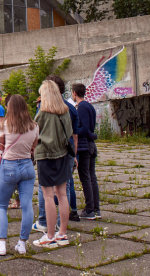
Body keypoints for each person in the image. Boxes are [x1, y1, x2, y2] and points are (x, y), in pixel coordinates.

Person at [0, 94, 39, 255]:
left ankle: (1, 243)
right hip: (27, 166)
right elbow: (33, 147)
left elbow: (0, 145)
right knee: (27, 205)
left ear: (10, 108)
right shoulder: (34, 126)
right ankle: (22, 243)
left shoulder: (5, 125)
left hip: (9, 165)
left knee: (1, 205)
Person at [34, 75, 80, 230]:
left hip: (46, 156)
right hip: (63, 154)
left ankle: (48, 230)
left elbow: (36, 134)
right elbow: (70, 134)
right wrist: (73, 154)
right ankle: (62, 231)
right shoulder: (66, 110)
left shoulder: (43, 112)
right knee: (63, 194)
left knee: (47, 195)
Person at [72, 83, 101, 220]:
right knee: (91, 176)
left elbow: (83, 128)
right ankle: (96, 208)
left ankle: (90, 209)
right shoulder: (89, 106)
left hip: (84, 146)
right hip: (91, 144)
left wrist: (74, 131)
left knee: (86, 177)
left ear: (74, 93)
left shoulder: (82, 107)